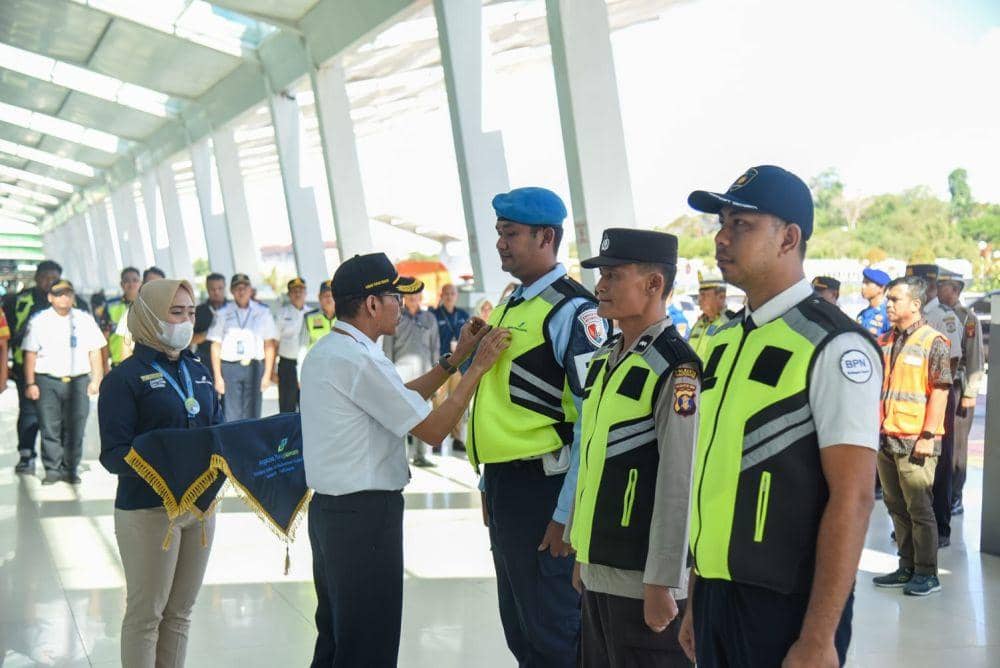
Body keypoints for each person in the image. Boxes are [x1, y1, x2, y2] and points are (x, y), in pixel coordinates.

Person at [678, 165, 881, 668]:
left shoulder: (834, 345)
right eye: (722, 223)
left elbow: (853, 498)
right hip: (718, 597)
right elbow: (716, 481)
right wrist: (699, 598)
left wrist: (819, 637)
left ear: (789, 237)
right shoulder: (723, 343)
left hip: (787, 607)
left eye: (742, 225)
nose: (722, 238)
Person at [300, 252, 510, 667]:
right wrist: (477, 369)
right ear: (373, 304)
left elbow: (399, 396)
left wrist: (456, 359)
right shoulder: (358, 360)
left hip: (334, 514)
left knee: (339, 638)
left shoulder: (335, 350)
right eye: (395, 296)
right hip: (364, 516)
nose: (401, 305)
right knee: (369, 642)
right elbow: (432, 430)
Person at [469, 186, 608, 667]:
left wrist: (566, 512)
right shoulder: (514, 304)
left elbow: (592, 419)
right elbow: (499, 401)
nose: (501, 243)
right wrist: (491, 480)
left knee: (554, 632)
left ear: (546, 237)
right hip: (509, 485)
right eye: (499, 233)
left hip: (546, 490)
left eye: (511, 233)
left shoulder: (574, 311)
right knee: (521, 628)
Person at [567, 229, 699, 667]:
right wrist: (580, 552)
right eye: (601, 274)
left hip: (642, 578)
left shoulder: (675, 367)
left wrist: (663, 581)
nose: (600, 286)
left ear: (654, 284)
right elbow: (593, 459)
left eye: (613, 275)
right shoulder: (609, 357)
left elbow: (678, 482)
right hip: (600, 566)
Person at [98, 278, 222, 667]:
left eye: (190, 313)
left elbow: (218, 429)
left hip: (200, 510)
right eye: (175, 312)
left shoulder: (198, 371)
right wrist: (166, 462)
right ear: (149, 316)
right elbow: (114, 454)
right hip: (149, 511)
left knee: (180, 613)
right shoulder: (124, 379)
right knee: (146, 615)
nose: (186, 321)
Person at [871, 275, 951, 595]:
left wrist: (928, 434)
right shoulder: (885, 340)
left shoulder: (933, 341)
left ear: (915, 305)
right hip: (886, 437)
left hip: (917, 439)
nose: (889, 305)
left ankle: (927, 573)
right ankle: (906, 567)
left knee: (920, 509)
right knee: (896, 507)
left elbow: (941, 392)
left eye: (895, 300)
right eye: (888, 299)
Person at [21, 280, 105, 484]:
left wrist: (97, 380)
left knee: (76, 426)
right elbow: (30, 353)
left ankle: (70, 468)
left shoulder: (84, 319)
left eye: (68, 293)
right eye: (58, 294)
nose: (64, 297)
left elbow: (95, 351)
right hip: (47, 381)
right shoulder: (40, 320)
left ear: (73, 296)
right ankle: (52, 469)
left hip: (78, 381)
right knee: (50, 426)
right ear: (50, 297)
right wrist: (30, 383)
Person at [904, 263, 962, 546]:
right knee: (913, 463)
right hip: (912, 396)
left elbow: (949, 364)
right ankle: (915, 526)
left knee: (939, 462)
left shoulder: (944, 317)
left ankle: (939, 526)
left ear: (930, 286)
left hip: (937, 393)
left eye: (915, 283)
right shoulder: (910, 315)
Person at [4, 260, 74, 473]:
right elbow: (7, 335)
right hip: (25, 367)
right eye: (44, 277)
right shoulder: (19, 301)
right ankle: (26, 455)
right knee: (29, 412)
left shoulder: (69, 301)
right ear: (36, 278)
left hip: (59, 368)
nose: (48, 282)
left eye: (53, 278)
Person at [936, 269, 983, 516]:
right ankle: (940, 495)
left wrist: (970, 392)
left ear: (955, 290)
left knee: (957, 448)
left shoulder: (968, 318)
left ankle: (956, 496)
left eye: (941, 285)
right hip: (938, 387)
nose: (937, 289)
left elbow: (975, 358)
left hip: (959, 386)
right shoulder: (933, 314)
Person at [382, 281, 440, 467]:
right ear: (404, 299)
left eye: (417, 296)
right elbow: (387, 351)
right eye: (410, 297)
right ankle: (400, 457)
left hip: (426, 373)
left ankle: (421, 455)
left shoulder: (430, 319)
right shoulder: (395, 319)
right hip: (401, 375)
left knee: (423, 416)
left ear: (421, 298)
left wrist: (438, 375)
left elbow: (435, 349)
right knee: (400, 417)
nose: (414, 299)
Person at [208, 273, 277, 422]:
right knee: (231, 415)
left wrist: (267, 375)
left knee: (253, 414)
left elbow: (269, 345)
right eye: (237, 288)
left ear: (250, 290)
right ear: (232, 291)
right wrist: (218, 377)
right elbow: (215, 345)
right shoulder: (222, 313)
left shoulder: (263, 311)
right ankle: (233, 445)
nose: (241, 291)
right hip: (230, 368)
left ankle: (251, 445)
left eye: (244, 288)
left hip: (255, 366)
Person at [432, 283, 471, 451]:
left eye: (452, 293)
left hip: (459, 366)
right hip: (440, 365)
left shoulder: (463, 315)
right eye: (446, 293)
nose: (449, 296)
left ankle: (457, 438)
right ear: (441, 295)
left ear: (457, 296)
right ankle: (436, 438)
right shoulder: (433, 315)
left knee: (457, 403)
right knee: (438, 403)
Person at [274, 277, 308, 413]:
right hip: (287, 365)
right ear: (289, 294)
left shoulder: (312, 313)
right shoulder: (282, 313)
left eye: (301, 290)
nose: (298, 293)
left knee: (307, 406)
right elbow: (274, 341)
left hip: (306, 365)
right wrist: (272, 369)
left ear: (306, 293)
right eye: (294, 291)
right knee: (287, 407)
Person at [687, 272, 733, 360]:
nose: (699, 299)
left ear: (721, 297)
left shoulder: (730, 323)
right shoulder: (699, 323)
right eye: (700, 295)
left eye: (704, 295)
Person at [102, 267, 142, 368]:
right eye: (127, 281)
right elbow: (104, 337)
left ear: (141, 283)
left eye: (135, 280)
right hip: (119, 362)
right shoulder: (110, 305)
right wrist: (105, 366)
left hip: (144, 361)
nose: (131, 284)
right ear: (121, 284)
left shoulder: (148, 305)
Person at [192, 272, 227, 375]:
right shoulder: (198, 311)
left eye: (220, 288)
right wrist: (208, 334)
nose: (216, 292)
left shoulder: (233, 309)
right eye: (212, 289)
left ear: (225, 288)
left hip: (229, 361)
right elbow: (189, 340)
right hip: (205, 362)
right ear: (207, 289)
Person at [300, 280, 337, 352]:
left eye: (332, 295)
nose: (329, 298)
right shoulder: (308, 317)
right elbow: (303, 347)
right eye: (325, 295)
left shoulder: (346, 318)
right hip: (316, 361)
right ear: (319, 297)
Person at [856, 268, 891, 338]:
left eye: (867, 283)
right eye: (863, 283)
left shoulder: (888, 314)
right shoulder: (862, 314)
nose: (863, 287)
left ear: (881, 288)